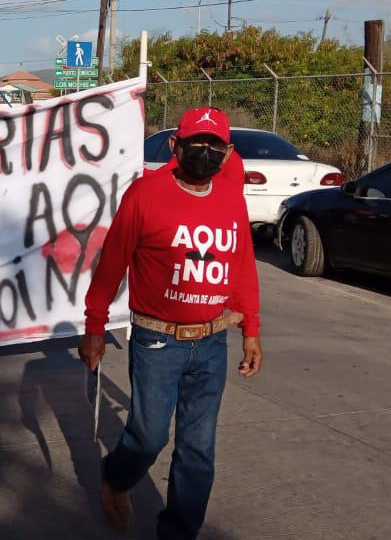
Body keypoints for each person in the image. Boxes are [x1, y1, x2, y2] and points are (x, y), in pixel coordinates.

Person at [79, 106, 262, 539]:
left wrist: (251, 328)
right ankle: (117, 476)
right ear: (175, 146)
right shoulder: (145, 194)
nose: (205, 152)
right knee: (148, 437)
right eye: (195, 143)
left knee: (198, 451)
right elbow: (113, 264)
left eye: (215, 146)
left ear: (227, 152)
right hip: (158, 341)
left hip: (212, 343)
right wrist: (94, 327)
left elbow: (243, 266)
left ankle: (178, 532)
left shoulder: (231, 197)